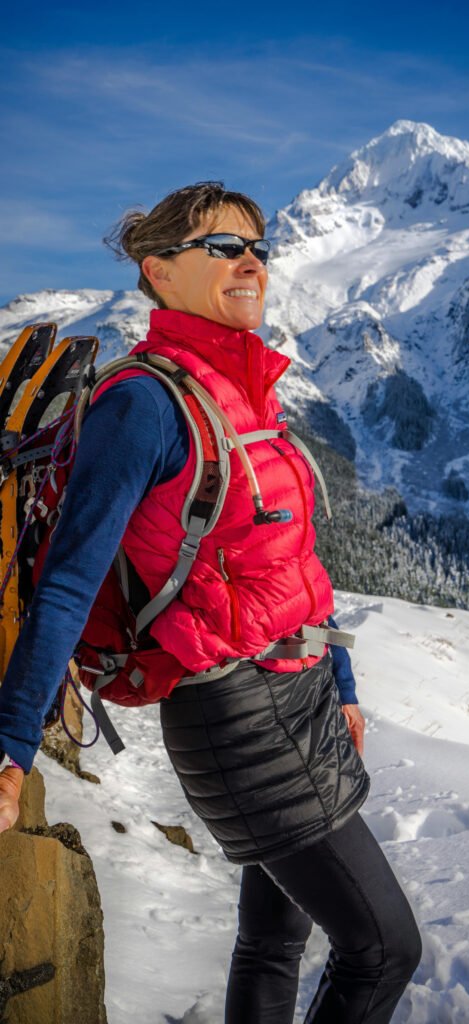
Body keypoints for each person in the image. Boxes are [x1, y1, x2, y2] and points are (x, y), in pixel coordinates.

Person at [0, 182, 422, 1022]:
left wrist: (338, 683)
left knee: (276, 942)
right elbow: (70, 581)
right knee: (383, 948)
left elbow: (292, 555)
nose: (251, 263)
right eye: (223, 247)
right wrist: (11, 750)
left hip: (297, 694)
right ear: (158, 273)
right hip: (238, 716)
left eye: (259, 248)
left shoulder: (248, 391)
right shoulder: (143, 405)